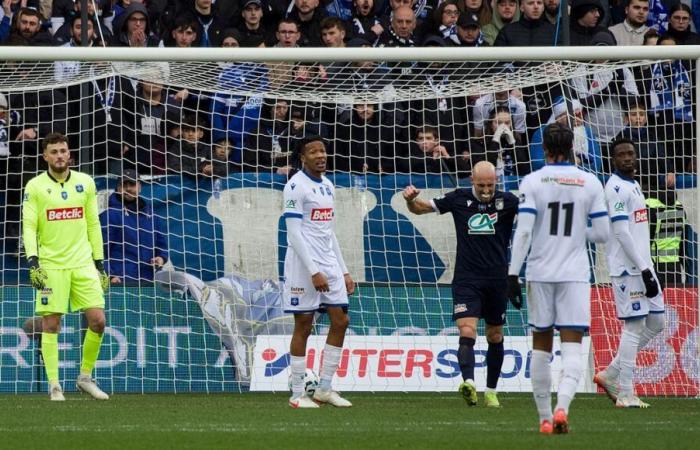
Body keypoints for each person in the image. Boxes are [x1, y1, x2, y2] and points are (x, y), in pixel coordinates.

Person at [507, 123, 609, 434]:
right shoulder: (590, 182)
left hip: (540, 272)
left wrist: (512, 273)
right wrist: (579, 234)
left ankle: (544, 419)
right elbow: (603, 233)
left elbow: (523, 231)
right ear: (573, 148)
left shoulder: (533, 181)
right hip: (575, 275)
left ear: (545, 149)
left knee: (541, 345)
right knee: (573, 347)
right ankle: (563, 406)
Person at [402, 160, 518, 407]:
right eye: (481, 185)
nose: (486, 190)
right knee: (467, 330)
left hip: (497, 279)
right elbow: (420, 209)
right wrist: (410, 200)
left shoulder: (508, 201)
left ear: (496, 181)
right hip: (467, 278)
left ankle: (491, 391)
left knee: (495, 335)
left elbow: (533, 219)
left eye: (490, 185)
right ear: (471, 180)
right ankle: (469, 383)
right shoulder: (458, 198)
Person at [22, 133, 110, 401]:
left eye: (63, 150)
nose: (60, 155)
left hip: (83, 263)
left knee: (98, 321)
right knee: (51, 324)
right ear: (45, 156)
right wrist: (33, 261)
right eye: (54, 151)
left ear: (69, 154)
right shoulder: (35, 186)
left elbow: (93, 224)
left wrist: (100, 263)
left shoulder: (85, 183)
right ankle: (54, 385)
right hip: (51, 265)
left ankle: (84, 377)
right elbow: (29, 226)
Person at [282, 136, 355, 408]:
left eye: (322, 150)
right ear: (302, 157)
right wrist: (313, 270)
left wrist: (344, 270)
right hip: (304, 265)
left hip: (329, 263)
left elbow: (329, 232)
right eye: (313, 152)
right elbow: (294, 232)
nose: (320, 155)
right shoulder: (295, 186)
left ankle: (324, 388)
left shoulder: (327, 185)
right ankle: (298, 393)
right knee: (304, 324)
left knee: (341, 321)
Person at [593, 138, 665, 408]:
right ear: (613, 159)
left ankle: (611, 373)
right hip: (628, 269)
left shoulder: (634, 184)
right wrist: (644, 269)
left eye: (630, 153)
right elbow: (621, 232)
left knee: (657, 323)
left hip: (644, 266)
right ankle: (625, 393)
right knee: (633, 326)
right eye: (621, 154)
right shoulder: (614, 188)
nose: (627, 158)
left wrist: (647, 267)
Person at [100, 169, 169, 285]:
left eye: (132, 184)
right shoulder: (109, 215)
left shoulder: (151, 214)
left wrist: (161, 258)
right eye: (124, 185)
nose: (128, 188)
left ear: (140, 187)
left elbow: (161, 243)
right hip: (119, 282)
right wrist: (110, 275)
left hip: (148, 280)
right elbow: (101, 251)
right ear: (118, 188)